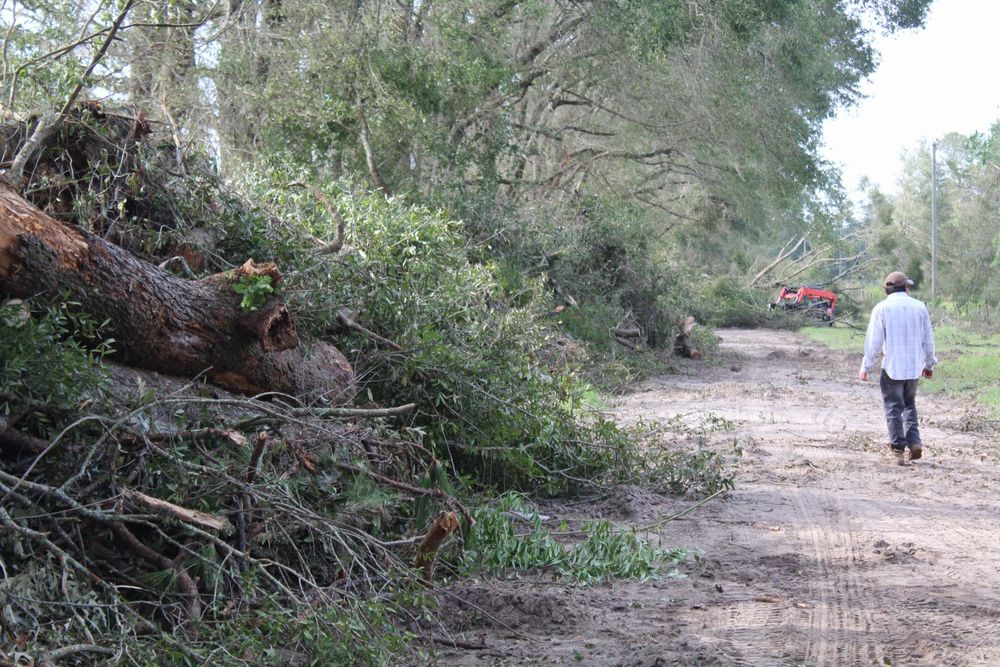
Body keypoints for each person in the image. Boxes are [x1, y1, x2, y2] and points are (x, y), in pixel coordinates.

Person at [858, 271, 937, 466]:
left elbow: (873, 342)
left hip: (892, 366)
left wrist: (866, 365)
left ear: (887, 290)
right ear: (906, 288)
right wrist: (928, 364)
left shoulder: (881, 308)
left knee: (894, 408)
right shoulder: (920, 307)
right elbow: (928, 339)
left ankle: (898, 450)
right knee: (909, 405)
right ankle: (915, 442)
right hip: (913, 367)